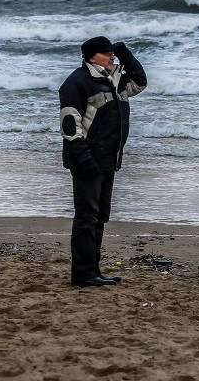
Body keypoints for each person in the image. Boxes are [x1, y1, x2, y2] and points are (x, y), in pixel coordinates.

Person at [59, 36, 147, 287]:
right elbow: (69, 126)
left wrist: (125, 53)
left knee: (99, 217)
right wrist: (85, 160)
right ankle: (83, 275)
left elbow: (140, 82)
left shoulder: (115, 80)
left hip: (109, 160)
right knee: (86, 218)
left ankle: (92, 271)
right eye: (107, 53)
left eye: (113, 53)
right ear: (92, 56)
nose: (112, 57)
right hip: (88, 162)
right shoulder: (77, 82)